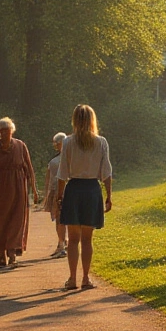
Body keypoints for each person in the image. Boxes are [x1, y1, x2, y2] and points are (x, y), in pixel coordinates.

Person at [57, 104, 113, 291]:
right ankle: (85, 278)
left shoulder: (67, 142)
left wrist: (59, 196)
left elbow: (62, 172)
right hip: (91, 190)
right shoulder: (101, 142)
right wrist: (109, 196)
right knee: (87, 239)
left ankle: (72, 278)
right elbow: (106, 172)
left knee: (73, 239)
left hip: (74, 189)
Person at [0, 117, 38, 267]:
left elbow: (29, 168)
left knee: (17, 219)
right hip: (0, 187)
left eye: (7, 130)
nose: (4, 133)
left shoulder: (20, 145)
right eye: (1, 131)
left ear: (12, 131)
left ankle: (12, 253)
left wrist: (34, 189)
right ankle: (1, 255)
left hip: (18, 185)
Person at [41, 132, 68, 259]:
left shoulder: (55, 161)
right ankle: (63, 243)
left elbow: (49, 180)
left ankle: (62, 244)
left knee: (59, 219)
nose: (56, 145)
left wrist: (47, 195)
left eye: (57, 143)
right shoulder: (70, 158)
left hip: (58, 191)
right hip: (66, 190)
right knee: (64, 218)